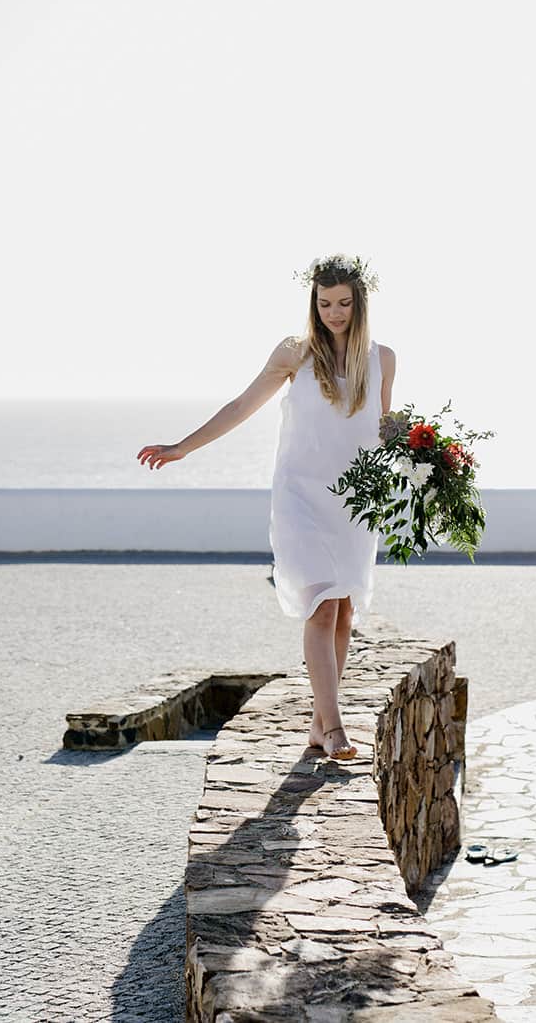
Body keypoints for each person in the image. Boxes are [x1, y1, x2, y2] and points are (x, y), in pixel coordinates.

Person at [137, 255, 396, 761]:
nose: (333, 313)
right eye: (324, 304)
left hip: (355, 502)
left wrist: (428, 451)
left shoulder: (382, 358)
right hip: (301, 496)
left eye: (343, 303)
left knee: (343, 612)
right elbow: (240, 406)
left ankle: (321, 727)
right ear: (313, 303)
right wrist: (182, 447)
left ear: (360, 303)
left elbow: (385, 425)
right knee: (322, 605)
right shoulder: (294, 353)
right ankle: (337, 728)